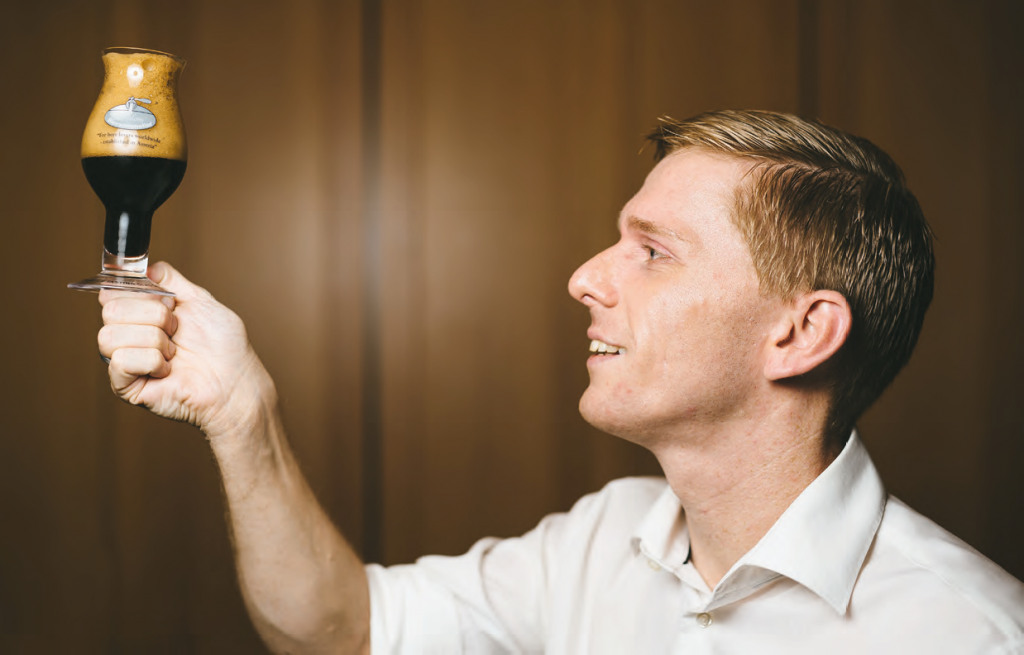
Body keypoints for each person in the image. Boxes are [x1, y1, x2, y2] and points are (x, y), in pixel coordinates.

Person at [97, 110, 1024, 654]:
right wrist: (241, 413)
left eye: (653, 252)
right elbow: (341, 627)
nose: (585, 276)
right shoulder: (600, 539)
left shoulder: (966, 632)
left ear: (802, 332)